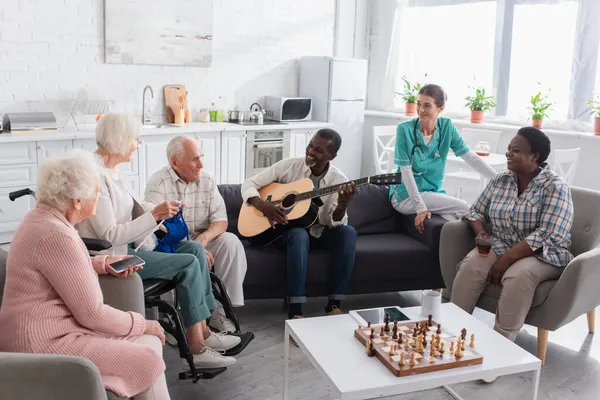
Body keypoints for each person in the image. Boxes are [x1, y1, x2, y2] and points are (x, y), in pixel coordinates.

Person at [0, 150, 170, 399]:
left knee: (148, 345)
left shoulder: (41, 220)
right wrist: (144, 322)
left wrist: (101, 263)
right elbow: (93, 315)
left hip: (38, 332)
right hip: (41, 343)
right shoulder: (57, 234)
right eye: (97, 191)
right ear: (77, 201)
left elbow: (59, 266)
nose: (100, 195)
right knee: (147, 356)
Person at [76, 113, 239, 368]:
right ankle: (196, 348)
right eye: (134, 139)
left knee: (194, 248)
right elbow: (110, 236)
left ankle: (205, 333)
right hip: (116, 257)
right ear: (120, 140)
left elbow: (134, 211)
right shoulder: (96, 177)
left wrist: (160, 213)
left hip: (133, 246)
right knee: (187, 263)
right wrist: (154, 215)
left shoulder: (112, 172)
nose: (137, 145)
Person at [451, 127, 574, 342]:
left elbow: (547, 235)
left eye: (515, 150)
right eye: (509, 149)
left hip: (543, 254)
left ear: (534, 156)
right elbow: (475, 211)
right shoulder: (500, 180)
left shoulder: (555, 186)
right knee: (473, 265)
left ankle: (501, 346)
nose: (508, 153)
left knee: (518, 275)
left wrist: (506, 259)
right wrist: (482, 235)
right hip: (501, 244)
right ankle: (452, 333)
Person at [241, 128, 358, 320]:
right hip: (287, 232)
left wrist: (343, 205)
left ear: (332, 156)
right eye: (310, 145)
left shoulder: (339, 181)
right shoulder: (288, 166)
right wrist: (262, 205)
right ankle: (296, 309)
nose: (311, 151)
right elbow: (249, 183)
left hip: (319, 231)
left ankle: (334, 304)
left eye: (319, 150)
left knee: (349, 232)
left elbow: (335, 222)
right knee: (298, 234)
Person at [145, 136, 247, 333]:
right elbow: (160, 228)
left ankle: (219, 312)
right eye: (194, 159)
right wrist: (193, 245)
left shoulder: (207, 180)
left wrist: (202, 240)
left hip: (203, 237)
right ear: (174, 161)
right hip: (173, 242)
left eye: (200, 157)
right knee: (176, 251)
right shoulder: (158, 183)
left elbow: (221, 221)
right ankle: (169, 319)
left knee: (231, 242)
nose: (201, 164)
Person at [390, 84, 497, 232]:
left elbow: (470, 157)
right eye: (419, 104)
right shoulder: (405, 130)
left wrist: (498, 179)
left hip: (433, 193)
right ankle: (485, 241)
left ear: (441, 108)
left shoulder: (447, 127)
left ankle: (454, 251)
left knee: (455, 220)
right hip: (405, 197)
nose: (421, 110)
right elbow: (406, 172)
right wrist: (420, 208)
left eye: (427, 105)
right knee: (464, 207)